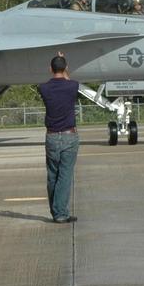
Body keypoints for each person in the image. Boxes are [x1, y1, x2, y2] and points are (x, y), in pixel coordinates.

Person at [37, 53, 80, 223]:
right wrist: (63, 62)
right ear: (66, 68)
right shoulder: (72, 86)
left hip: (52, 137)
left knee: (52, 175)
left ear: (50, 69)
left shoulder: (43, 88)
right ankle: (61, 213)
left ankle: (56, 212)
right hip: (69, 136)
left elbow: (60, 80)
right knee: (65, 175)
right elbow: (68, 82)